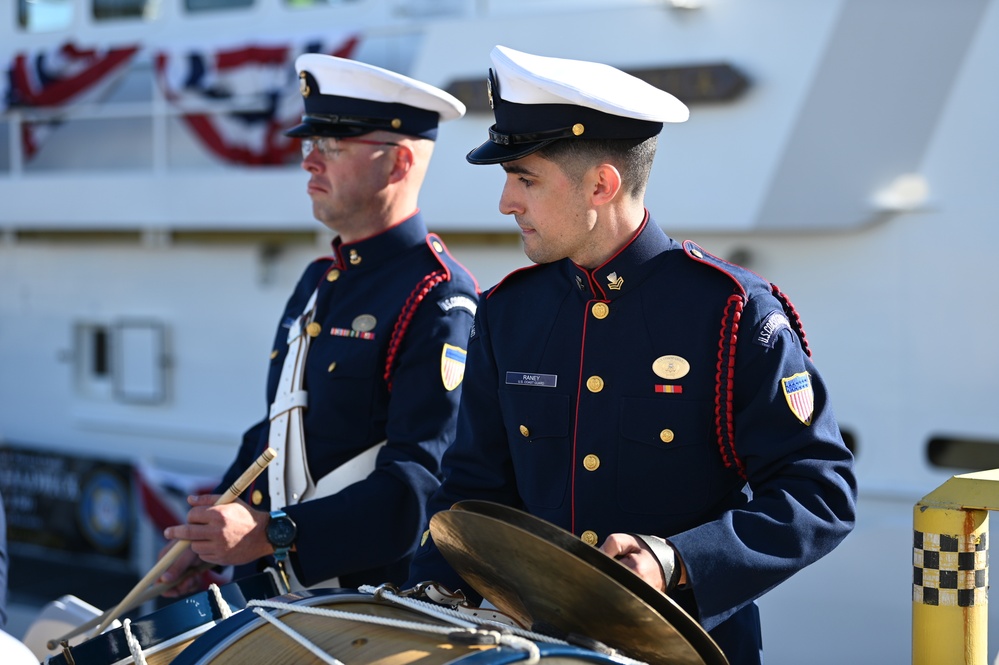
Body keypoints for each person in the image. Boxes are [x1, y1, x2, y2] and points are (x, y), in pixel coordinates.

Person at [406, 46, 857, 665]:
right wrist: (421, 599)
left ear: (602, 184)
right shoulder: (510, 311)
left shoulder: (731, 313)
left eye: (525, 178)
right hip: (536, 650)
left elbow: (819, 492)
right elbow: (470, 492)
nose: (506, 202)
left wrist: (677, 559)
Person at [160, 53, 479, 594]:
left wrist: (274, 535)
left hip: (363, 609)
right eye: (311, 145)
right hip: (279, 592)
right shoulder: (317, 280)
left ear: (398, 164)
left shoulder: (437, 294)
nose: (309, 162)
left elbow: (419, 487)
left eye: (331, 147)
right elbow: (278, 433)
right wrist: (210, 537)